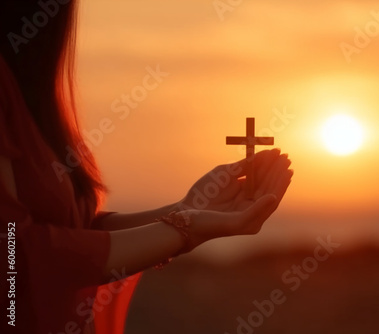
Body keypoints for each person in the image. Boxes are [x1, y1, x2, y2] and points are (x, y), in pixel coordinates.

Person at [0, 1, 293, 333]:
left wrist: (186, 209)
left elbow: (74, 234)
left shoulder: (29, 90)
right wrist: (184, 230)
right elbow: (15, 251)